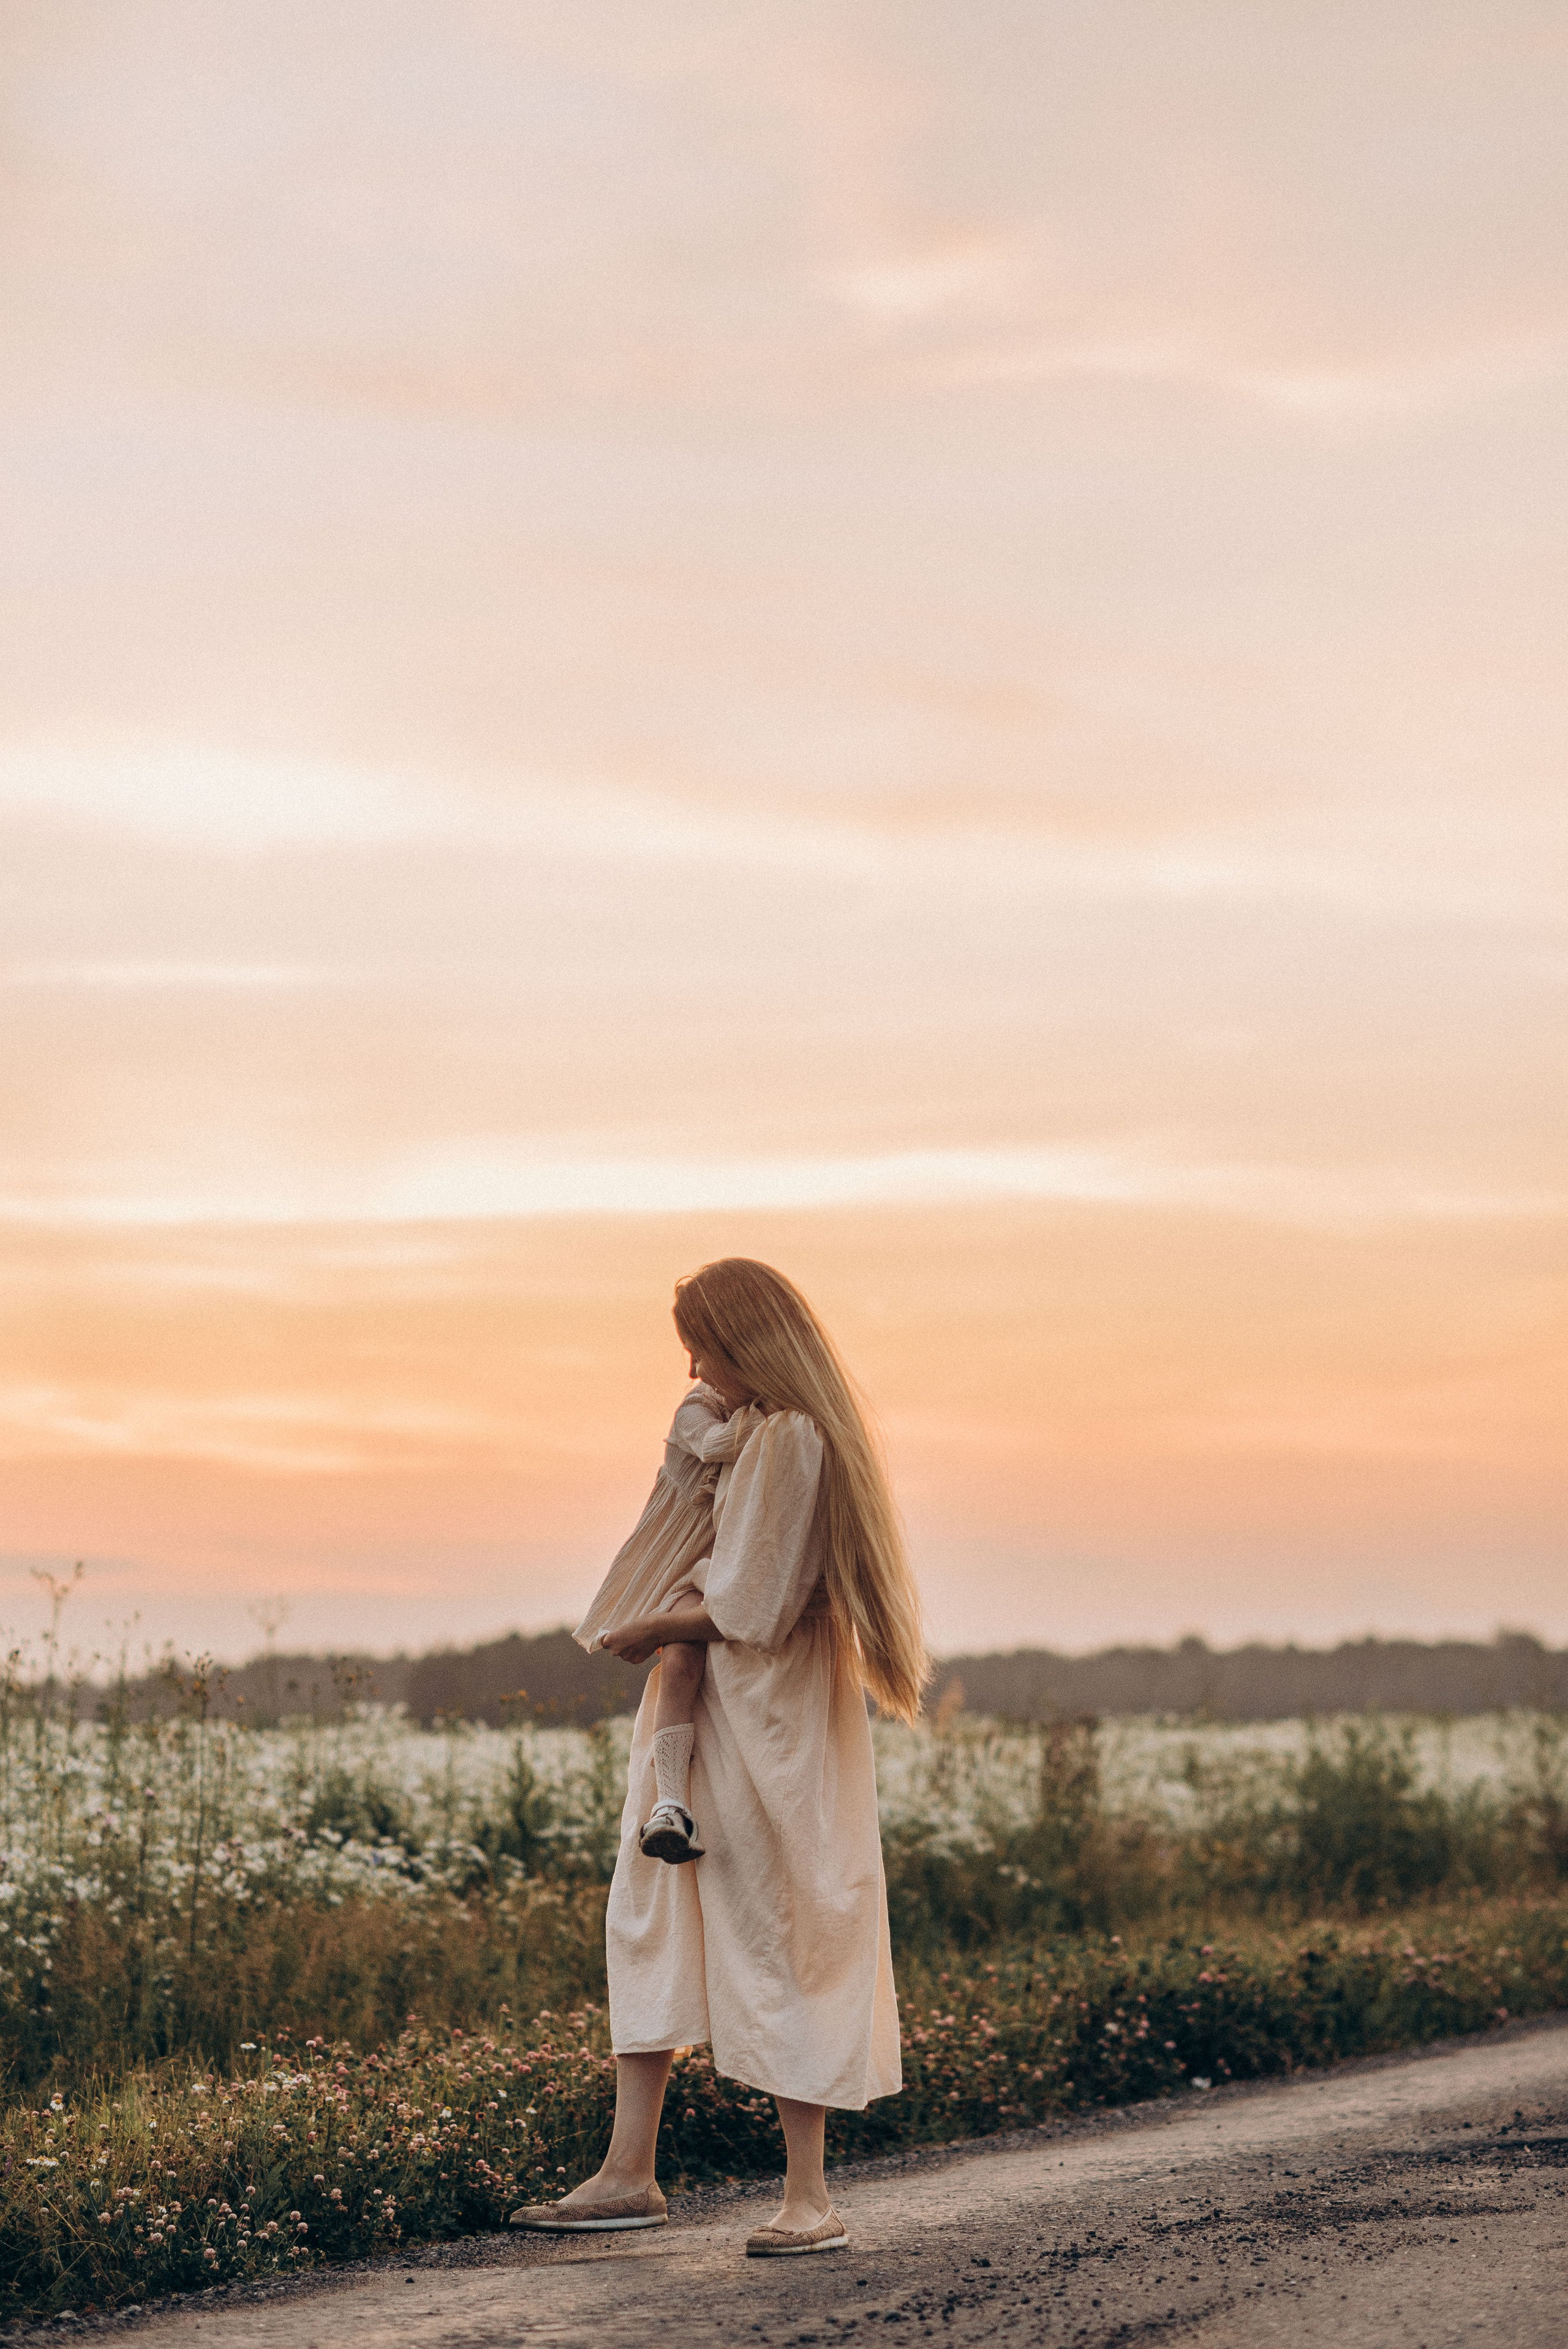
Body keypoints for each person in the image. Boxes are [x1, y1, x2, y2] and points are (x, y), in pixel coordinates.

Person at [510, 1256, 929, 2257]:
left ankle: (808, 2195)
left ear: (747, 1342)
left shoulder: (791, 1441)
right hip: (700, 1705)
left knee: (777, 1920)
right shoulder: (747, 1438)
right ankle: (628, 2170)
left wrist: (640, 1626)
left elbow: (751, 1605)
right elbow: (691, 1480)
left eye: (703, 1345)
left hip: (765, 1715)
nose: (693, 1364)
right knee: (652, 1913)